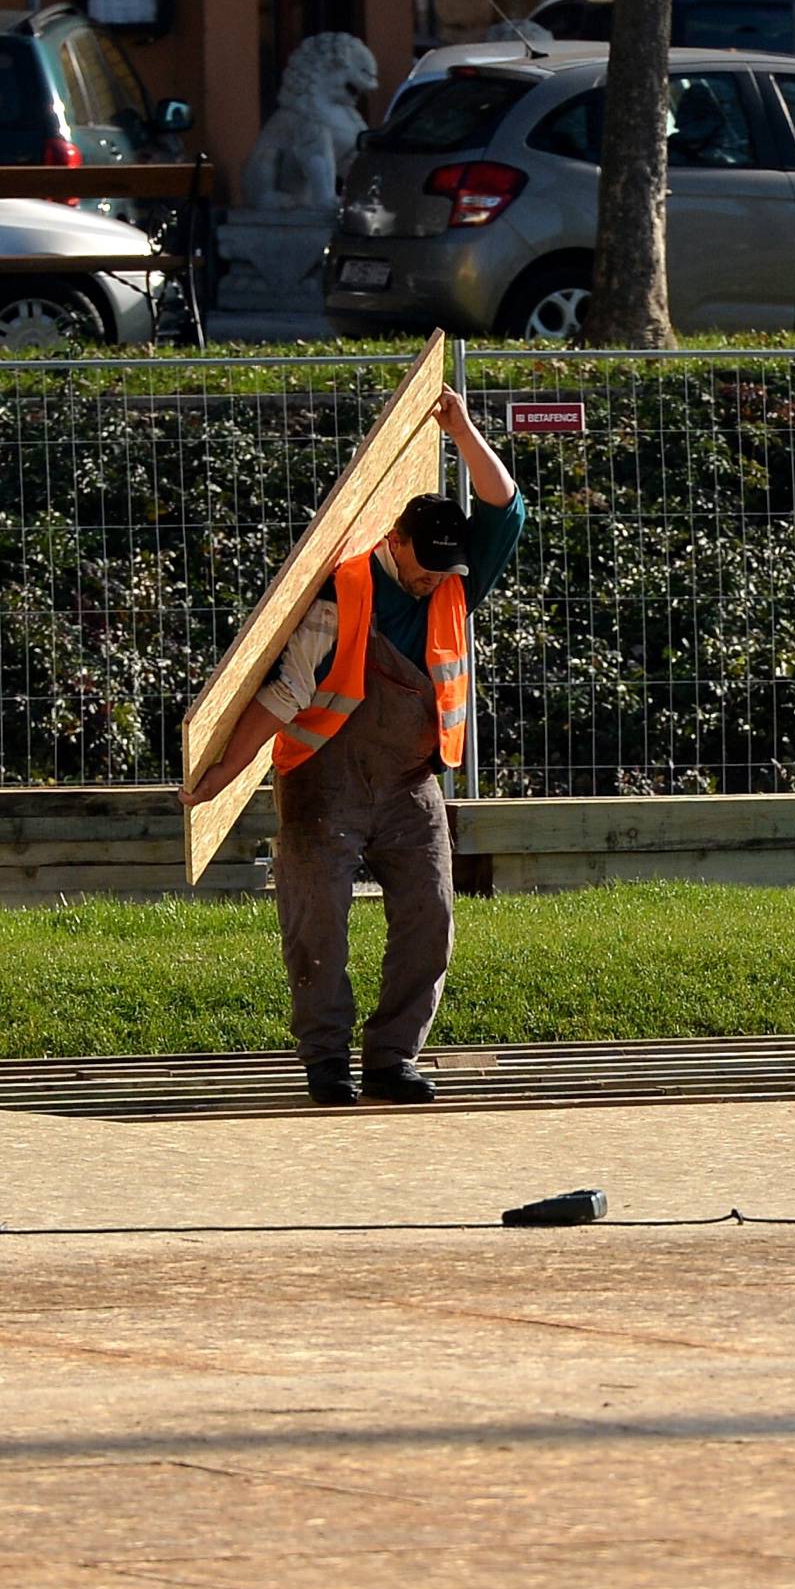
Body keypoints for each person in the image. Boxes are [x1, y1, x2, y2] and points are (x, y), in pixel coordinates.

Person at [181, 389, 524, 1107]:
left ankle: (393, 1059)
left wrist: (460, 429)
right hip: (322, 780)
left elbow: (507, 506)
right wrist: (222, 775)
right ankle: (326, 1061)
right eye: (423, 564)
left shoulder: (457, 581)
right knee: (318, 925)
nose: (435, 579)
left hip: (408, 782)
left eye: (445, 569)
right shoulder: (343, 592)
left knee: (430, 913)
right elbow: (284, 695)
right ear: (394, 540)